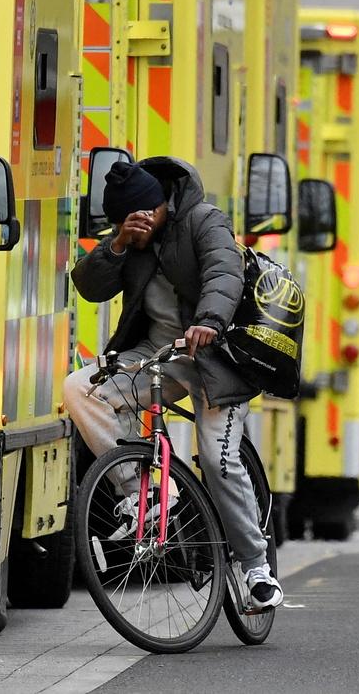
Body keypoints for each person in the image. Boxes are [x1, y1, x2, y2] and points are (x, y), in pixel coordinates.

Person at [61, 156, 282, 610]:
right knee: (80, 389)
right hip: (159, 356)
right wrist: (117, 243)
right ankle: (144, 495)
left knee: (218, 461)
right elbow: (89, 285)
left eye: (136, 217)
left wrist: (210, 322)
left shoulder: (205, 220)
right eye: (121, 221)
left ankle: (256, 568)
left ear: (157, 205)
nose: (131, 225)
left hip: (217, 361)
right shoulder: (130, 237)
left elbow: (224, 273)